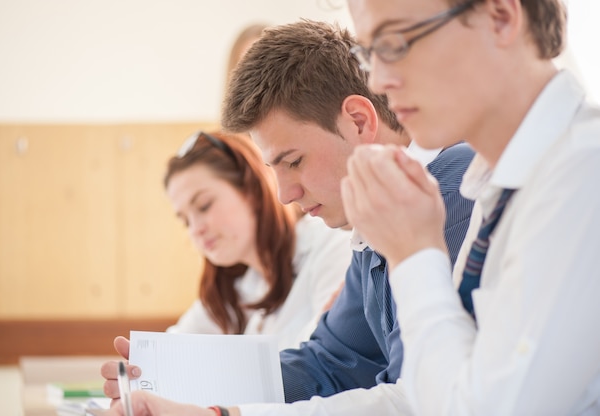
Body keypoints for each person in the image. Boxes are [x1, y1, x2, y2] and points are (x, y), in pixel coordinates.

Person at [101, 20, 475, 415]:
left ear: (359, 122)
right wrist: (168, 381)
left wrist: (221, 415)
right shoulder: (373, 220)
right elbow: (329, 365)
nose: (284, 194)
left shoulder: (455, 196)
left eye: (294, 162)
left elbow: (417, 401)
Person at [340, 0, 600, 414]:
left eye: (395, 43)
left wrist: (413, 253)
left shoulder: (583, 173)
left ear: (500, 18)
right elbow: (443, 386)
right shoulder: (498, 184)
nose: (380, 81)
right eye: (370, 54)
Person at [159, 130, 352, 350]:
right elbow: (173, 347)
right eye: (185, 221)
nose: (196, 229)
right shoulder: (238, 288)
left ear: (252, 189)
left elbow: (325, 362)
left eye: (204, 206)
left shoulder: (331, 244)